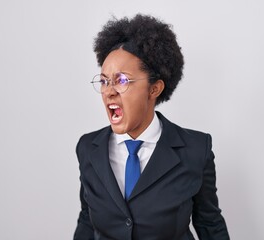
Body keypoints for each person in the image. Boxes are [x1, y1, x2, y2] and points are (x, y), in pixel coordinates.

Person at [73, 14, 229, 240]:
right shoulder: (88, 148)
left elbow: (209, 224)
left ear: (154, 89)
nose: (109, 91)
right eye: (105, 81)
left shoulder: (195, 150)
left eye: (122, 80)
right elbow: (88, 218)